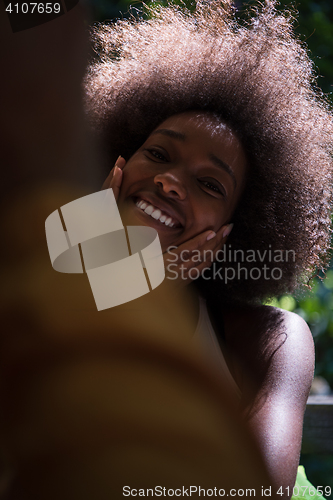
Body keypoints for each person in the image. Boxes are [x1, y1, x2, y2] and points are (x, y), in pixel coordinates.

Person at [84, 0, 333, 497]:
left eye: (210, 184)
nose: (170, 182)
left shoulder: (270, 338)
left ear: (236, 229)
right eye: (156, 154)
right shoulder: (39, 285)